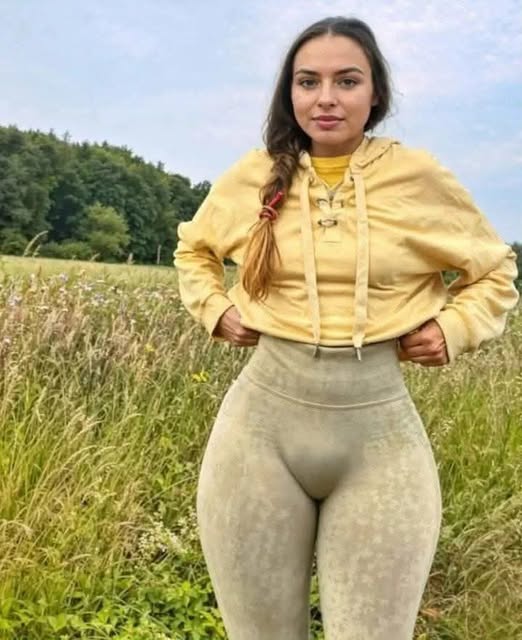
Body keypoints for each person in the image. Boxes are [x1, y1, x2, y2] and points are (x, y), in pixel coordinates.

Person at [173, 16, 519, 640]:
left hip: (378, 439)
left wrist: (456, 327)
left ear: (375, 93)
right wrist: (215, 308)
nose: (326, 98)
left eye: (347, 81)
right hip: (257, 435)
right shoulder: (254, 175)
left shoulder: (418, 178)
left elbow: (495, 271)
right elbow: (194, 250)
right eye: (308, 82)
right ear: (291, 93)